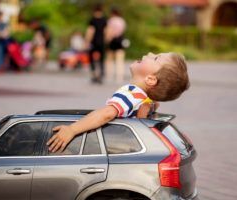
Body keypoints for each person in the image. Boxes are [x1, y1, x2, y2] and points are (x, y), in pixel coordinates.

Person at [47, 52, 190, 153]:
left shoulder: (131, 93)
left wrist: (72, 129)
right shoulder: (146, 101)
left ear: (151, 79)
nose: (150, 53)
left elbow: (107, 114)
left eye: (156, 58)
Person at [85, 4, 107, 84]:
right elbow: (106, 31)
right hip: (101, 42)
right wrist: (105, 40)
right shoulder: (104, 20)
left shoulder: (92, 20)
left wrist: (87, 41)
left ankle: (94, 74)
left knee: (91, 58)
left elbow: (91, 31)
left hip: (93, 42)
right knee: (101, 59)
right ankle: (101, 74)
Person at [105, 8, 127, 84]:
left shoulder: (111, 21)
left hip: (112, 41)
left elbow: (109, 31)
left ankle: (109, 75)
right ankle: (119, 77)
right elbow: (123, 31)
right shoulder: (122, 21)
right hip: (120, 40)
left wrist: (107, 40)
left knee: (109, 60)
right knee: (120, 60)